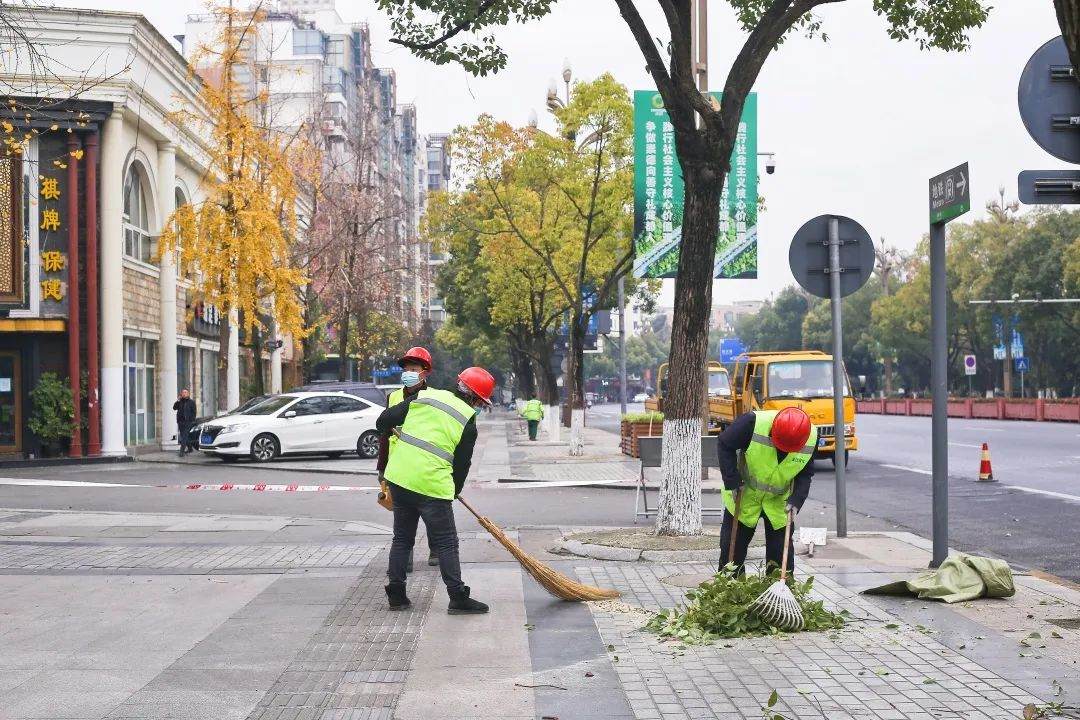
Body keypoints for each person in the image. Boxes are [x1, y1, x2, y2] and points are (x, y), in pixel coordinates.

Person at [377, 366, 495, 615]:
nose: (480, 407)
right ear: (474, 397)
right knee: (446, 542)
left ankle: (396, 595)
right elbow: (462, 465)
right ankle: (457, 596)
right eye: (481, 402)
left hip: (400, 477)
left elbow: (383, 421)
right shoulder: (468, 421)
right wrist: (453, 491)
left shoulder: (426, 396)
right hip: (432, 485)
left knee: (402, 539)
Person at [715, 406, 817, 577]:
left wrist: (797, 499)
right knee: (731, 554)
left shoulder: (811, 437)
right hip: (745, 496)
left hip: (779, 503)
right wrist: (732, 481)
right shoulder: (751, 423)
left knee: (780, 557)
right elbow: (725, 444)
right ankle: (731, 591)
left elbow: (805, 473)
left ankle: (777, 594)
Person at [379, 346, 439, 572]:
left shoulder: (433, 398)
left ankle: (435, 549)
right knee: (403, 518)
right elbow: (384, 434)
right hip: (398, 467)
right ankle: (405, 559)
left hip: (425, 465)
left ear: (425, 372)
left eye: (414, 368)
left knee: (431, 513)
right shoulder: (393, 397)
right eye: (406, 369)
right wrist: (381, 468)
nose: (408, 373)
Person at [172, 389, 197, 457]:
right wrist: (178, 400)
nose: (184, 393)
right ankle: (190, 448)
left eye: (185, 392)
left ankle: (181, 451)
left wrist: (192, 420)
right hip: (180, 421)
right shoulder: (180, 402)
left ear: (188, 394)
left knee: (184, 436)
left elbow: (194, 412)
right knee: (184, 436)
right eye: (183, 392)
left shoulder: (191, 402)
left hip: (188, 422)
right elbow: (174, 408)